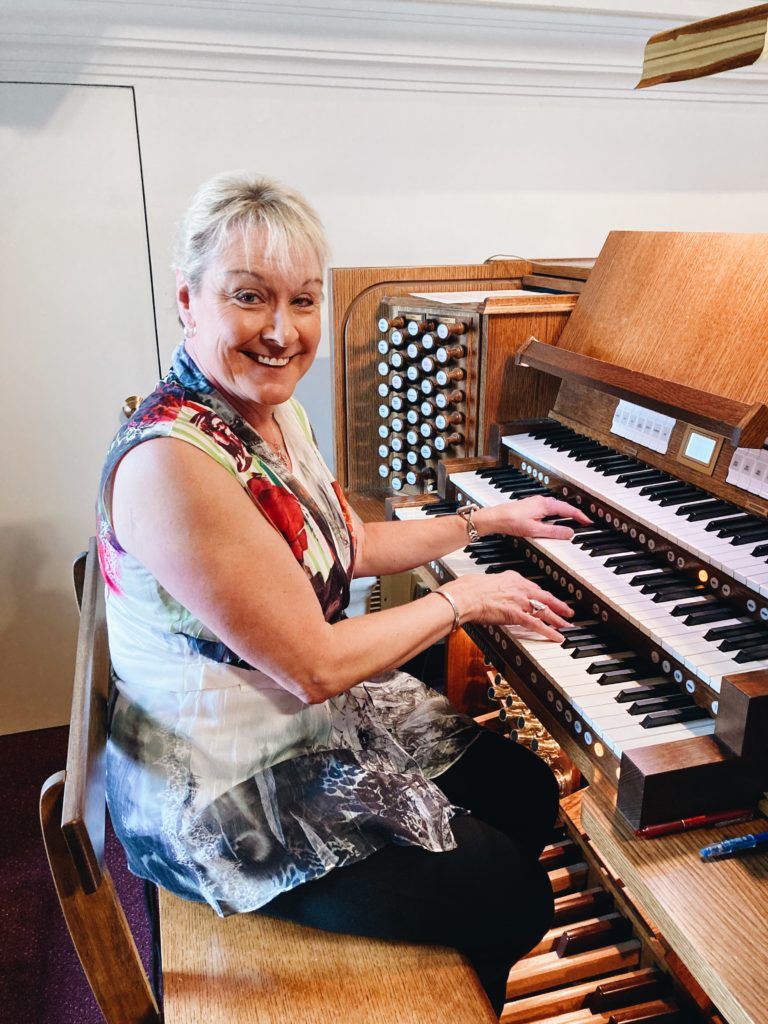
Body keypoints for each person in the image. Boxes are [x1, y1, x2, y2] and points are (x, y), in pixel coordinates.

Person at [98, 171, 590, 1017]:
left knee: (527, 792)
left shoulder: (271, 412)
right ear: (189, 299)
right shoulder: (172, 464)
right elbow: (316, 665)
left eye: (303, 301)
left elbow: (346, 544)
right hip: (225, 790)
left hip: (299, 723)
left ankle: (461, 955)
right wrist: (464, 602)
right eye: (249, 298)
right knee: (512, 895)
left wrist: (482, 525)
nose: (282, 332)